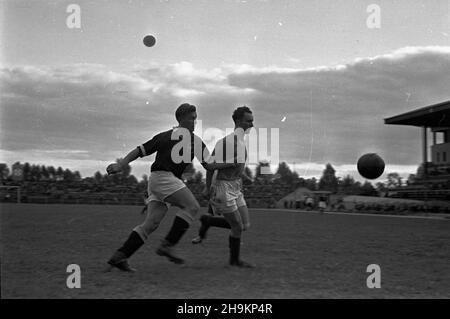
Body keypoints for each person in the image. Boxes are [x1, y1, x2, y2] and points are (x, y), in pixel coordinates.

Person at [105, 103, 234, 272]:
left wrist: (122, 164)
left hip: (157, 181)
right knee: (192, 207)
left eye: (196, 118)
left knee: (151, 224)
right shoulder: (185, 139)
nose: (195, 121)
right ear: (181, 119)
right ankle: (168, 245)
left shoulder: (171, 137)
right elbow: (140, 150)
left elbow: (208, 166)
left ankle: (120, 256)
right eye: (192, 118)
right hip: (165, 179)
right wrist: (231, 163)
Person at [192, 106, 255, 268]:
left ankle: (209, 220)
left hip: (236, 187)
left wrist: (246, 176)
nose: (252, 124)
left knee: (244, 226)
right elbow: (210, 166)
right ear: (239, 121)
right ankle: (234, 261)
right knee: (237, 226)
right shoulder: (226, 142)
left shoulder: (241, 142)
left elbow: (236, 166)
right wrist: (207, 188)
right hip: (223, 187)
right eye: (249, 121)